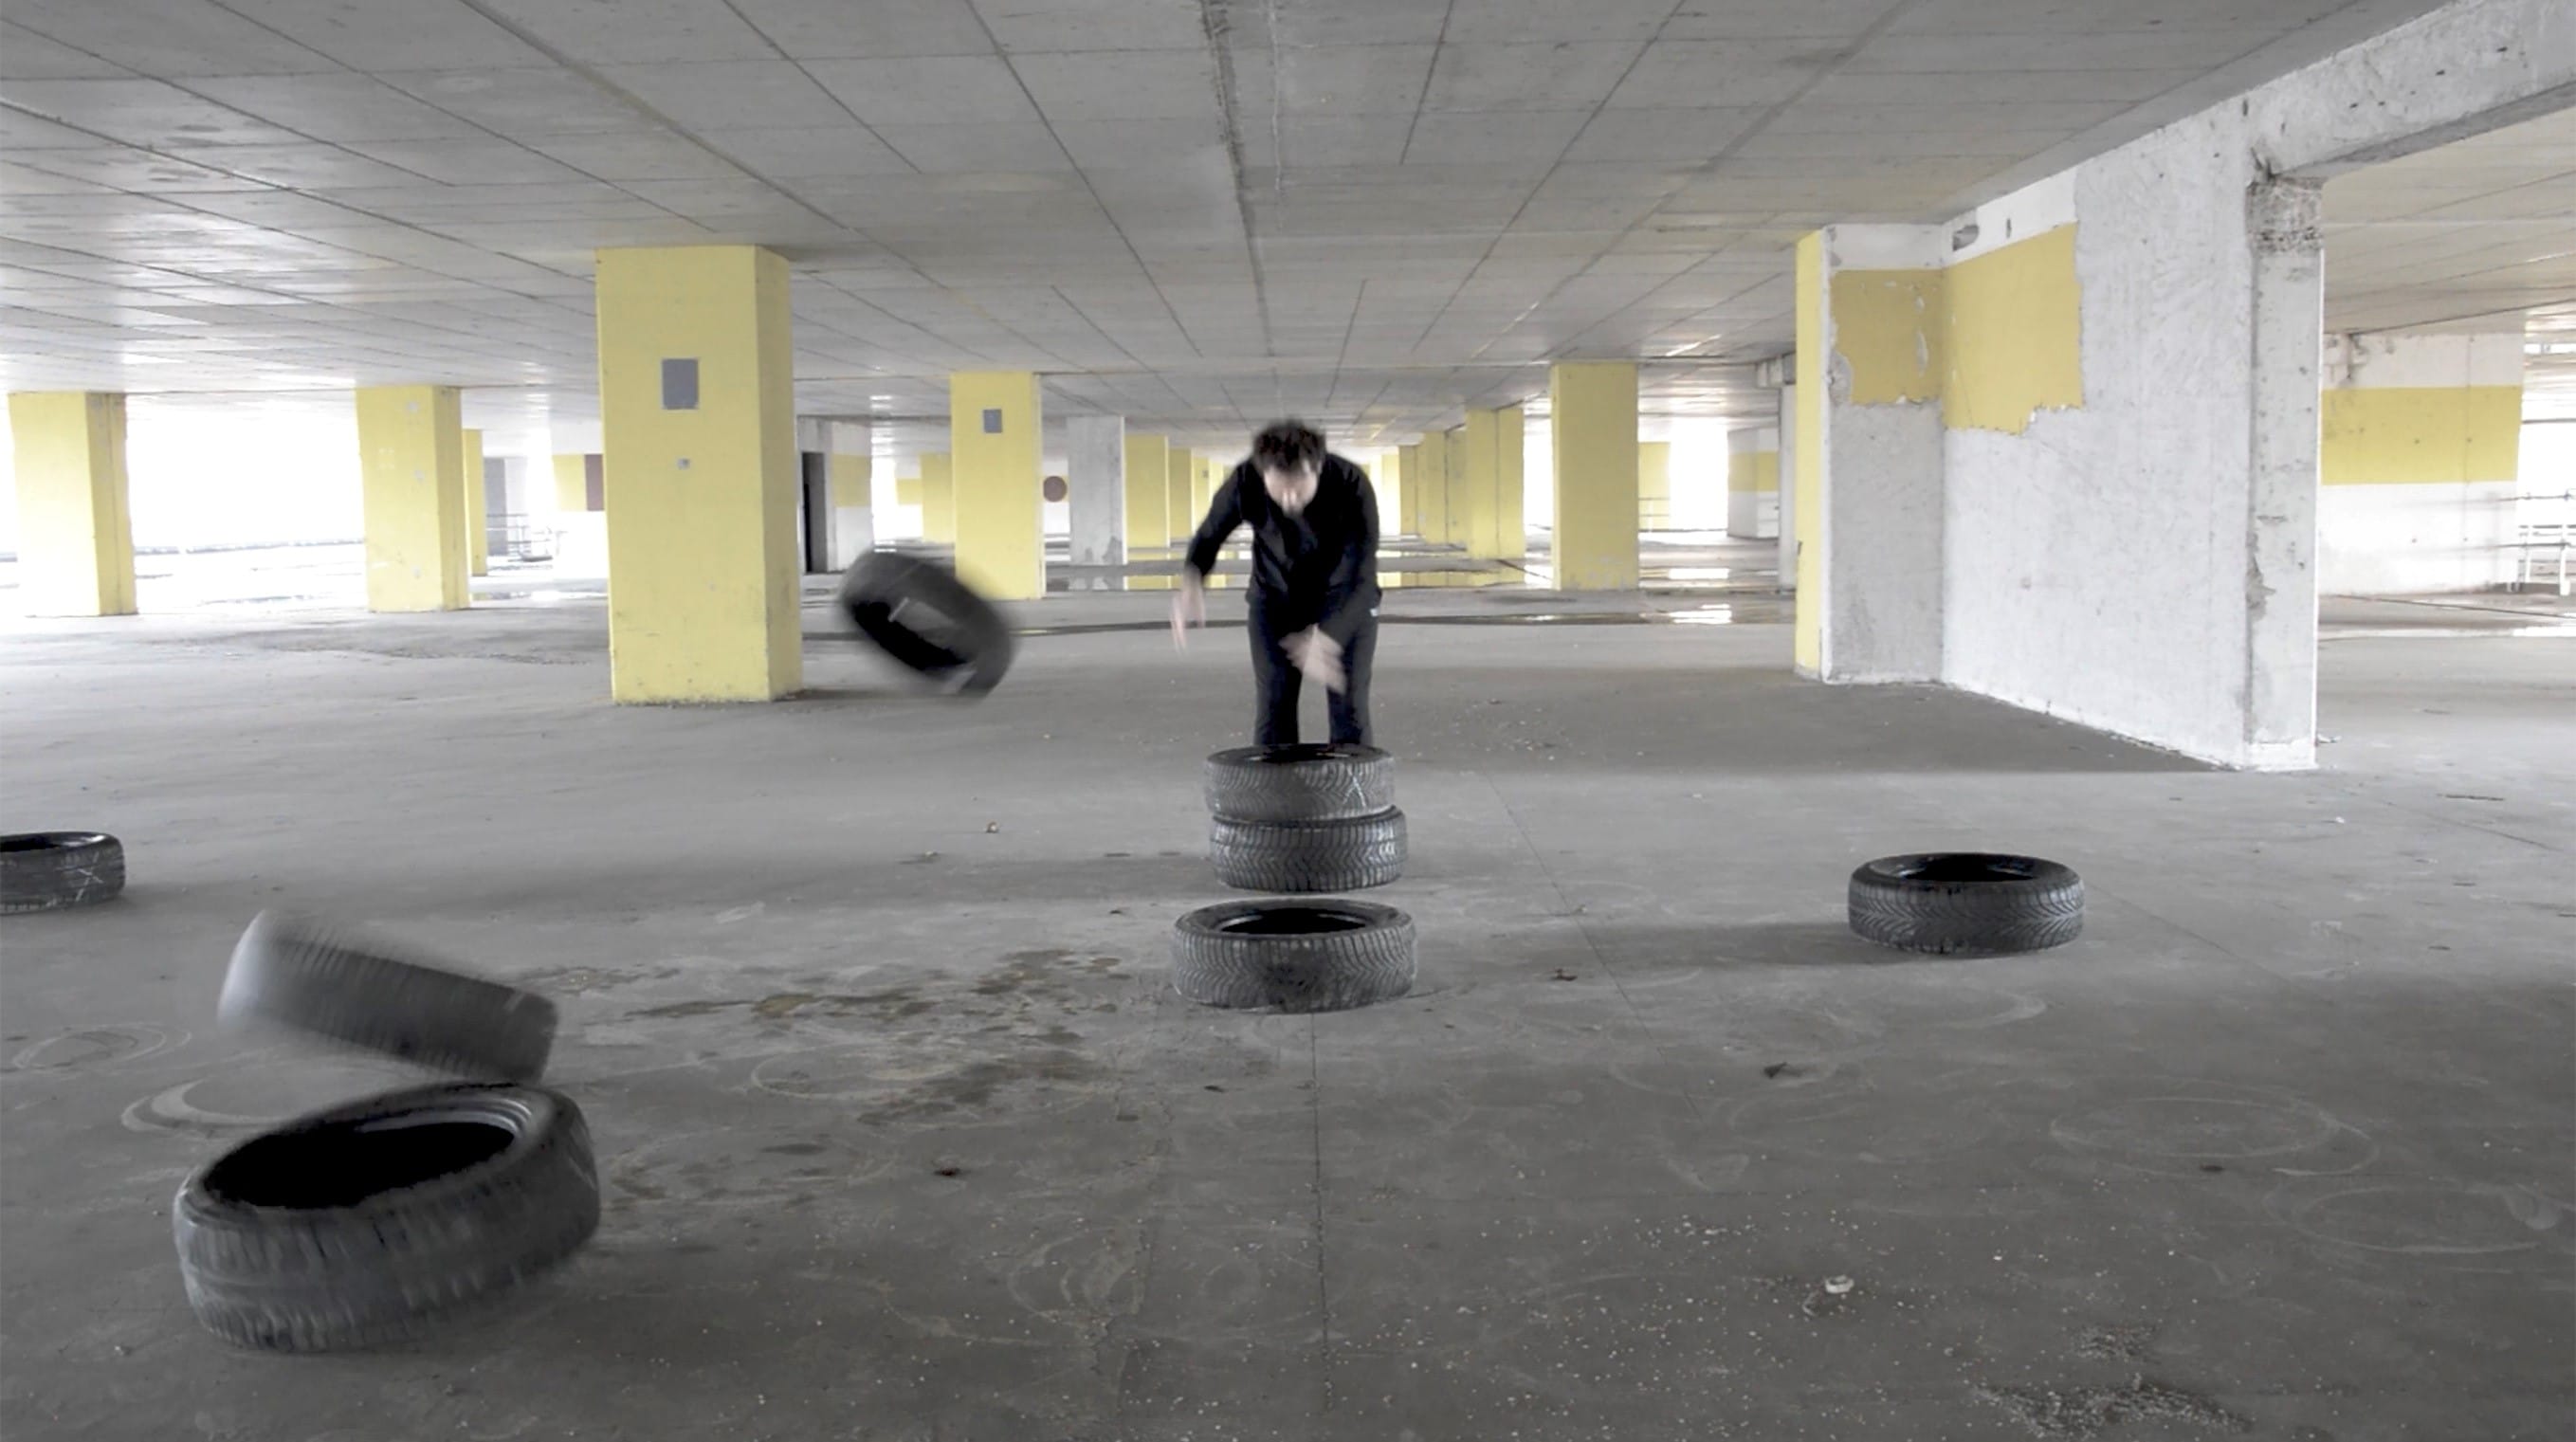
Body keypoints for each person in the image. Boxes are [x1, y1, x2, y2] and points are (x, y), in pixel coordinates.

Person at [1171, 420, 1381, 746]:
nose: (1290, 500)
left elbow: (1363, 578)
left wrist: (1330, 636)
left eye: (1299, 488)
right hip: (1274, 597)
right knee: (1274, 703)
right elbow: (1210, 534)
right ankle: (1274, 778)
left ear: (1318, 468)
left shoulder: (1352, 484)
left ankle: (1354, 778)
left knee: (1349, 707)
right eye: (1280, 489)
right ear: (1263, 473)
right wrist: (1193, 579)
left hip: (1344, 595)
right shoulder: (1245, 479)